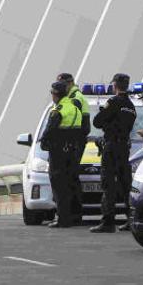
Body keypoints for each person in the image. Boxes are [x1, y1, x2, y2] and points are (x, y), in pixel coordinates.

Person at [90, 73, 137, 233]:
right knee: (125, 185)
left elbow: (97, 121)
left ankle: (108, 222)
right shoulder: (131, 105)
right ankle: (131, 220)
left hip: (111, 147)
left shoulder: (114, 102)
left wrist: (106, 117)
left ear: (115, 85)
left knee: (108, 184)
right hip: (124, 147)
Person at [38, 81, 83, 228]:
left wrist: (44, 143)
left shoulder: (58, 110)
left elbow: (50, 131)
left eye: (52, 93)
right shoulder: (75, 108)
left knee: (59, 186)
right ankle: (75, 217)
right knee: (71, 184)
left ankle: (63, 219)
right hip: (73, 152)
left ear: (56, 94)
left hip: (58, 153)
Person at [57, 73, 90, 223]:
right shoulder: (71, 97)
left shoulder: (75, 98)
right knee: (71, 177)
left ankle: (73, 213)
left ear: (69, 83)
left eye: (62, 84)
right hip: (74, 142)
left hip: (74, 142)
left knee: (70, 178)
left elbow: (83, 125)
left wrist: (73, 142)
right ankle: (72, 213)